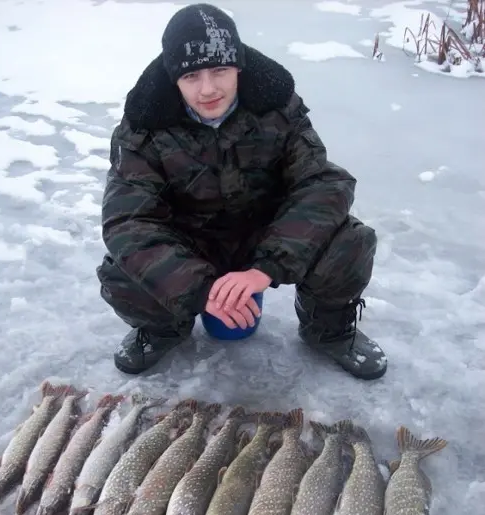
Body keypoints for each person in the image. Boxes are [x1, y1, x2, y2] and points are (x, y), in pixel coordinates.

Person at [97, 3, 387, 381]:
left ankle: (328, 328)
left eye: (220, 70)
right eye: (191, 76)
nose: (208, 89)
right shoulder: (143, 128)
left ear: (239, 66)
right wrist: (201, 289)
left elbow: (321, 183)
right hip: (190, 242)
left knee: (349, 240)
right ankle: (162, 328)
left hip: (265, 234)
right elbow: (128, 220)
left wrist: (267, 266)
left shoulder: (276, 105)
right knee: (123, 269)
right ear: (173, 79)